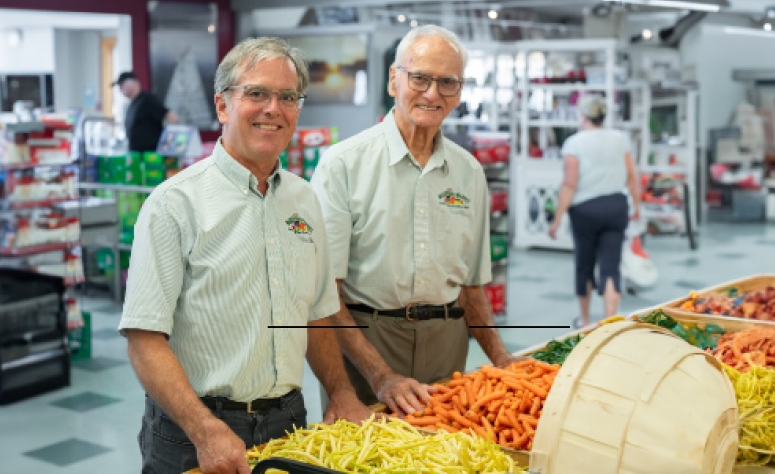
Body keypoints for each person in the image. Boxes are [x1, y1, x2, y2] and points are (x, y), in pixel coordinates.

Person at [119, 37, 370, 474]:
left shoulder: (304, 200)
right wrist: (204, 429)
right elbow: (144, 340)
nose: (274, 108)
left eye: (288, 97)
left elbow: (315, 313)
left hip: (289, 423)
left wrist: (342, 391)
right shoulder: (173, 204)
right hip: (191, 429)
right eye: (256, 93)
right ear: (222, 106)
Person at [310, 25, 516, 417]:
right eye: (420, 78)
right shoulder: (343, 165)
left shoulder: (469, 172)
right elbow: (324, 294)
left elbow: (471, 290)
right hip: (367, 341)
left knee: (441, 457)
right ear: (393, 80)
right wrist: (380, 376)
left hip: (447, 341)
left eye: (447, 82)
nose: (433, 93)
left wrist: (501, 357)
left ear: (460, 90)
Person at [548, 95, 641, 328]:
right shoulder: (620, 139)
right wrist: (637, 206)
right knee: (611, 264)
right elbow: (632, 175)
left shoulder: (574, 143)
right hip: (616, 206)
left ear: (583, 115)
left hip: (585, 210)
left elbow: (570, 183)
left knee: (585, 263)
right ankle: (610, 321)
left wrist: (557, 219)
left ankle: (586, 320)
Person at [114, 71, 180, 152]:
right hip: (136, 154)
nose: (120, 89)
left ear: (133, 83)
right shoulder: (132, 104)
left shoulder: (147, 100)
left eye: (122, 85)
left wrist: (168, 147)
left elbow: (172, 118)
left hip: (150, 155)